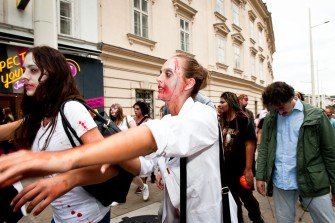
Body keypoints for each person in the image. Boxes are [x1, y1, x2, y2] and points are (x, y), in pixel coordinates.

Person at [0, 54, 228, 222]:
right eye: (160, 71)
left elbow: (154, 136)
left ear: (189, 83)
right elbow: (142, 165)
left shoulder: (202, 115)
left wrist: (65, 162)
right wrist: (111, 154)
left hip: (204, 216)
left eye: (167, 73)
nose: (158, 77)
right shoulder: (168, 117)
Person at [0, 46, 117, 222]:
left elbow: (108, 164)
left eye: (33, 70)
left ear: (53, 73)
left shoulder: (71, 109)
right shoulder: (38, 118)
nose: (24, 76)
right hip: (60, 217)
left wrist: (67, 180)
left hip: (88, 216)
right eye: (24, 70)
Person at [256, 81, 335, 223]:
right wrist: (260, 175)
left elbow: (330, 153)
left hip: (313, 181)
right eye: (275, 109)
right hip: (282, 179)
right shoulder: (271, 117)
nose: (280, 112)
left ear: (291, 97)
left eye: (281, 107)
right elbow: (264, 148)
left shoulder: (316, 115)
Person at [219, 92, 264, 223]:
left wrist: (248, 169)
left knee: (247, 198)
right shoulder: (220, 120)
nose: (220, 105)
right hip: (227, 170)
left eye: (223, 102)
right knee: (232, 200)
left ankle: (257, 219)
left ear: (231, 102)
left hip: (242, 169)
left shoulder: (243, 119)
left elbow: (250, 144)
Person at [109, 103, 149, 206]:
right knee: (120, 174)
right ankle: (119, 196)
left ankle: (143, 187)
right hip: (116, 152)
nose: (113, 112)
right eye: (111, 110)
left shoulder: (127, 119)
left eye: (115, 110)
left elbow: (136, 132)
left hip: (128, 151)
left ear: (120, 110)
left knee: (128, 174)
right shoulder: (111, 123)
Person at [132, 101, 156, 187]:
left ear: (142, 110)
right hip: (135, 146)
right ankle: (144, 182)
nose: (135, 111)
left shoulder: (148, 120)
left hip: (145, 147)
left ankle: (143, 184)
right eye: (134, 109)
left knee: (144, 164)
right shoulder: (132, 120)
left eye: (137, 109)